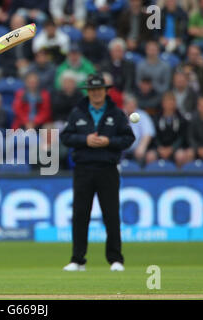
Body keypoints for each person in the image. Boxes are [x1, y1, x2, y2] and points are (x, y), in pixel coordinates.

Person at [60, 73, 135, 272]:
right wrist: (85, 140)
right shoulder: (78, 112)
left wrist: (109, 142)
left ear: (105, 91)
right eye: (92, 90)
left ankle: (116, 259)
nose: (96, 93)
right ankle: (77, 260)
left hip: (107, 169)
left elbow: (128, 138)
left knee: (110, 214)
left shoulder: (116, 113)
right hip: (84, 169)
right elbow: (66, 137)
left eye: (99, 89)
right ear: (88, 92)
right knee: (80, 214)